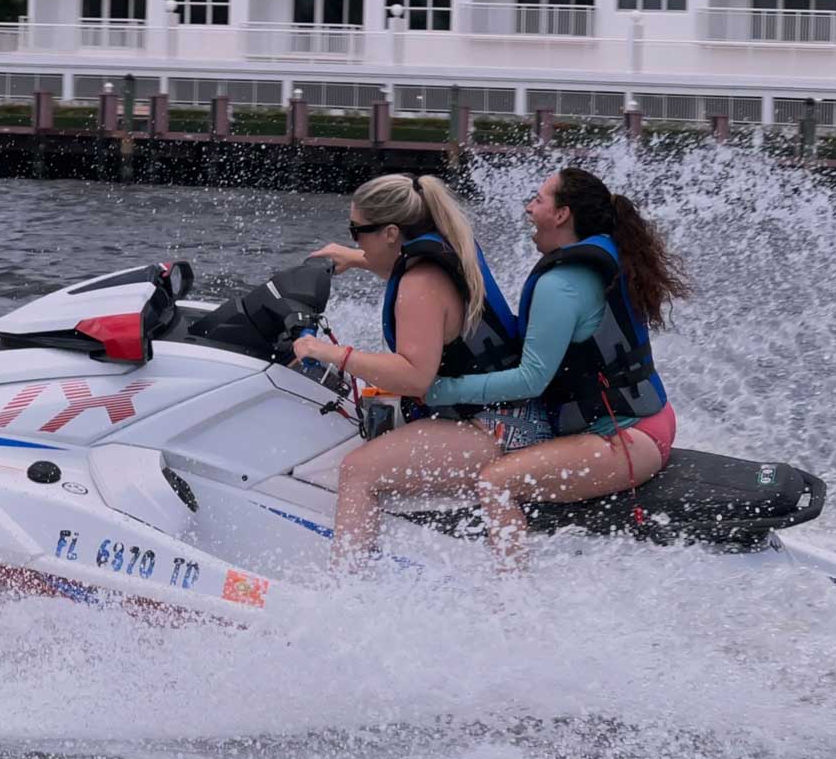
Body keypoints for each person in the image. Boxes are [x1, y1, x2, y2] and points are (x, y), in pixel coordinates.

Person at [421, 166, 691, 560]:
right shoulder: (598, 256)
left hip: (628, 439)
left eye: (538, 200)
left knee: (495, 482)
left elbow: (531, 379)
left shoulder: (561, 284)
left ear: (562, 215)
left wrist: (439, 390)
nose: (529, 208)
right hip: (650, 418)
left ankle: (511, 600)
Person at [290, 173, 539, 562]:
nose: (354, 237)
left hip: (503, 427)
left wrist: (329, 353)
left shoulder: (420, 285)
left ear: (391, 233)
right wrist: (353, 258)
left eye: (356, 231)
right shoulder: (450, 245)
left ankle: (345, 594)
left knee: (358, 471)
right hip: (514, 410)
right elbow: (400, 267)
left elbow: (414, 375)